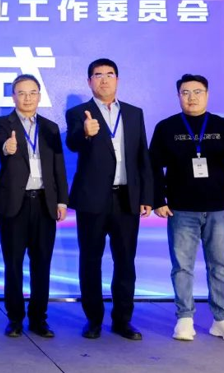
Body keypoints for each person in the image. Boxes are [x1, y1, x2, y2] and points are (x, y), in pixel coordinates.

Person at [150, 74, 224, 342]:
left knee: (219, 266)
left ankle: (222, 319)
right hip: (181, 209)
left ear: (207, 94)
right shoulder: (166, 127)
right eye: (185, 92)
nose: (191, 97)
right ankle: (184, 318)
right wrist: (158, 199)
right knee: (182, 266)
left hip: (219, 208)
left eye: (197, 92)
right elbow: (153, 166)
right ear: (178, 96)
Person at [65, 58, 153, 340]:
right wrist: (85, 133)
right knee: (90, 261)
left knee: (125, 261)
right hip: (92, 199)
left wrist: (146, 195)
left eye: (109, 74)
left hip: (127, 198)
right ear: (89, 81)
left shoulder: (134, 113)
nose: (104, 79)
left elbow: (142, 156)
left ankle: (122, 320)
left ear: (117, 79)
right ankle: (93, 320)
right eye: (98, 75)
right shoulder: (78, 113)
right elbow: (72, 143)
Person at [0, 74, 68, 338]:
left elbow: (58, 167)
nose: (27, 98)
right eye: (21, 93)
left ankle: (39, 319)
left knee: (41, 264)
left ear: (39, 96)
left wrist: (61, 200)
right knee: (13, 264)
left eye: (32, 93)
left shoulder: (50, 127)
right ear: (13, 96)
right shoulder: (3, 124)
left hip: (45, 202)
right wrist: (7, 146)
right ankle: (14, 319)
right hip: (15, 204)